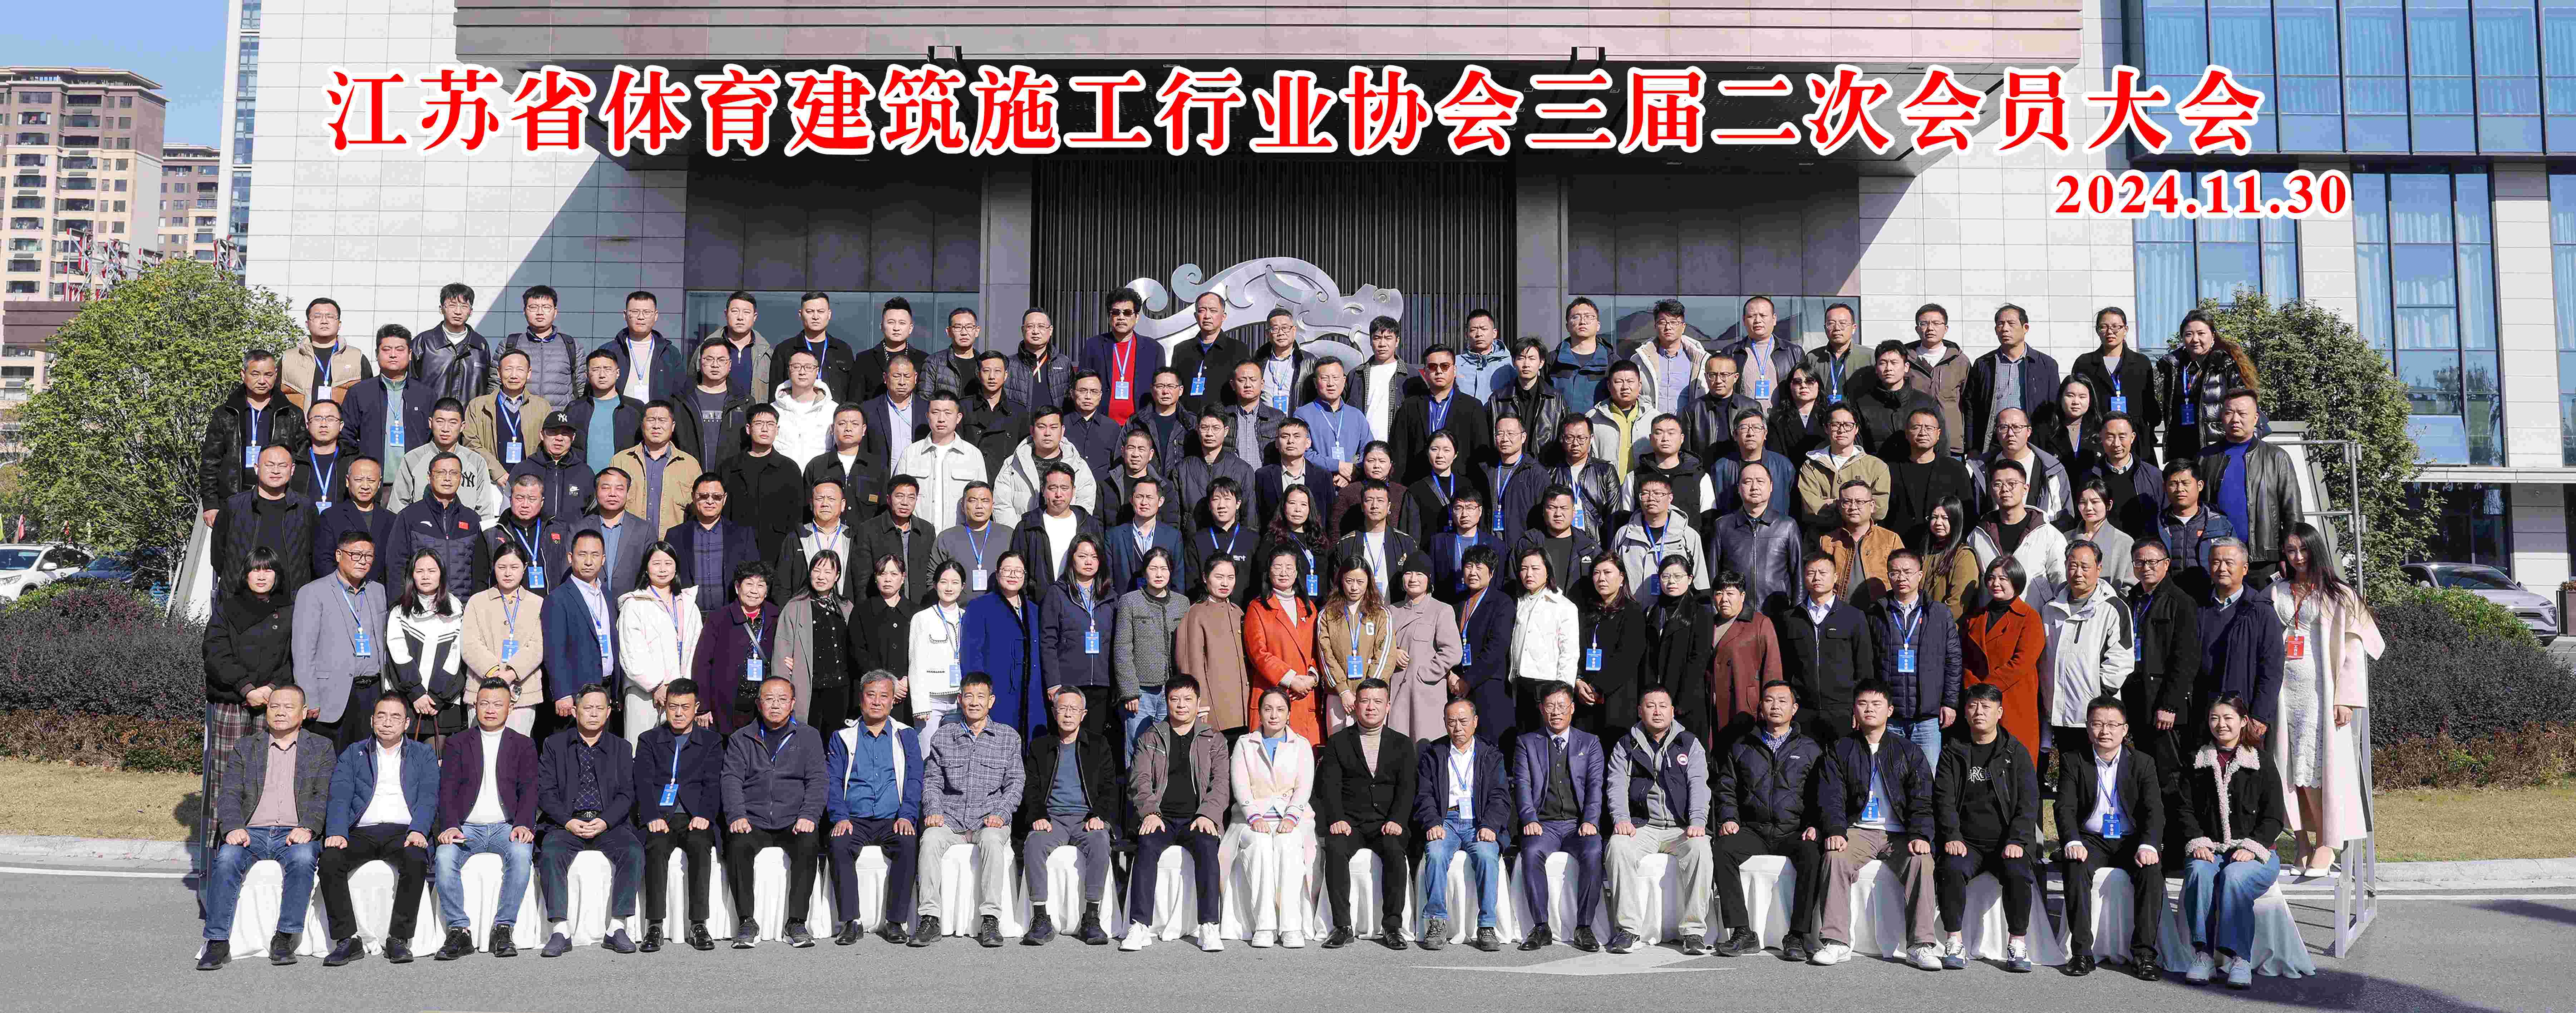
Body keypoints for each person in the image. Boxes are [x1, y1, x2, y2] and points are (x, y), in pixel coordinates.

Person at [2269, 523, 2380, 878]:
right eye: (2290, 550)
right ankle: (2301, 841)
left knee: (2315, 767)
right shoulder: (2276, 590)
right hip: (2283, 690)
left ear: (2315, 549)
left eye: (2303, 549)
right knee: (2288, 767)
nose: (2297, 557)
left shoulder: (2338, 593)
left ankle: (2326, 841)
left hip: (2321, 691)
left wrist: (2345, 697)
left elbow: (2354, 647)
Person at [198, 683, 335, 971]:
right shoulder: (247, 746)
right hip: (252, 831)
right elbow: (229, 793)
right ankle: (217, 941)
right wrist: (233, 827)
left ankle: (285, 937)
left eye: (288, 707)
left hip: (295, 831)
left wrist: (309, 827)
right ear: (267, 711)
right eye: (275, 706)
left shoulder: (321, 747)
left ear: (303, 713)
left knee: (303, 858)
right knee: (226, 858)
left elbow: (323, 794)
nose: (280, 712)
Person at [1809, 680, 1941, 968]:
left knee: (1922, 860)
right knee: (1834, 856)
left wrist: (1920, 834)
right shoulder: (1840, 749)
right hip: (1858, 830)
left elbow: (1922, 799)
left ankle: (1920, 945)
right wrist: (1835, 830)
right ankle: (1836, 942)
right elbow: (1830, 796)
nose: (1869, 709)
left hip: (1899, 833)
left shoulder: (1909, 751)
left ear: (1889, 710)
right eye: (1863, 704)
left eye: (1876, 704)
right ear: (1854, 710)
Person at [2176, 693, 2291, 990]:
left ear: (2243, 721)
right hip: (2210, 848)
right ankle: (2203, 955)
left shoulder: (2262, 762)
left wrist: (2252, 847)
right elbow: (2183, 808)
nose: (2221, 724)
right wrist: (2197, 841)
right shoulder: (2196, 760)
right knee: (2199, 872)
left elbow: (2274, 817)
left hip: (2255, 852)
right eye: (2214, 718)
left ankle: (2240, 958)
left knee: (2234, 876)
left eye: (2228, 718)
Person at [1710, 680, 1827, 959]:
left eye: (1782, 701)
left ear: (1794, 708)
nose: (1775, 706)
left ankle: (1797, 935)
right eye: (1769, 700)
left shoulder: (1810, 749)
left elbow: (1822, 793)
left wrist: (1815, 825)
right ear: (1760, 707)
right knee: (1722, 848)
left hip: (1793, 831)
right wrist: (1729, 818)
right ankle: (1742, 932)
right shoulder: (1742, 746)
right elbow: (1726, 788)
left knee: (1812, 854)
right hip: (1754, 830)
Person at [1931, 682, 2041, 973]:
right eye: (1972, 706)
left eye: (1986, 707)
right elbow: (1943, 799)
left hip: (2007, 842)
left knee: (2018, 872)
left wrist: (2017, 840)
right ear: (1965, 712)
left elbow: (2028, 803)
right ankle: (1954, 941)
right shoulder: (1953, 751)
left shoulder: (2015, 752)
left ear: (1999, 712)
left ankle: (2017, 943)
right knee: (1950, 868)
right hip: (1966, 842)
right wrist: (1952, 835)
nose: (1979, 712)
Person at [2055, 696, 2168, 979]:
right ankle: (2082, 953)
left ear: (2125, 729)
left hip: (2131, 840)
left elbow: (2154, 809)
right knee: (2075, 866)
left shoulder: (2142, 763)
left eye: (2112, 725)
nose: (2104, 731)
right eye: (2097, 724)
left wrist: (2148, 844)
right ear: (2087, 727)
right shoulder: (2073, 760)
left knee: (2151, 870)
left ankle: (2144, 955)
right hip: (2090, 839)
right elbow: (2064, 807)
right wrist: (2072, 840)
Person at [910, 673, 1024, 948]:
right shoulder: (943, 736)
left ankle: (990, 919)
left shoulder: (1008, 737)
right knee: (930, 839)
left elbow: (1015, 782)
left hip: (989, 818)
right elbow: (932, 780)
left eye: (981, 697)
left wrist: (1002, 813)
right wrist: (933, 810)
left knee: (993, 841)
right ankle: (930, 917)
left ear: (991, 701)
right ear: (960, 700)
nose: (974, 703)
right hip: (950, 818)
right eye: (969, 696)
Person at [430, 678, 540, 960]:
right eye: (484, 704)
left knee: (521, 853)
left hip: (506, 826)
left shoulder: (524, 745)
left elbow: (529, 789)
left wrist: (523, 823)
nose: (490, 710)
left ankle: (503, 928)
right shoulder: (457, 743)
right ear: (475, 706)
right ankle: (459, 930)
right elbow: (447, 790)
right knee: (444, 856)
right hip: (467, 827)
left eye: (498, 704)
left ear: (510, 708)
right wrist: (450, 825)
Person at [1122, 676, 1233, 952]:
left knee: (1207, 846)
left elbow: (1221, 784)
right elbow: (1139, 780)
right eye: (1175, 699)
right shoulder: (1150, 736)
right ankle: (1139, 925)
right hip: (1161, 817)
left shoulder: (1214, 739)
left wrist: (1208, 814)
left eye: (1187, 700)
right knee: (1147, 845)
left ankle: (1209, 925)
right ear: (1167, 702)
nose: (1181, 705)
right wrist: (1150, 812)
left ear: (1198, 703)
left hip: (1197, 818)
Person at [1603, 686, 1715, 955]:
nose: (1657, 711)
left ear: (1672, 711)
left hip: (1681, 828)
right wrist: (1621, 818)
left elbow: (1699, 784)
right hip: (1643, 826)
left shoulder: (1689, 743)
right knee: (1617, 846)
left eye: (1663, 706)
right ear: (1640, 711)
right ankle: (1628, 929)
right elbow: (1616, 785)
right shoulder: (1626, 745)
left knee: (1701, 849)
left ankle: (1693, 932)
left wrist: (1698, 820)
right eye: (1650, 706)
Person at [535, 684, 645, 957]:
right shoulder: (554, 745)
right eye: (587, 708)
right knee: (551, 852)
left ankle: (617, 927)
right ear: (575, 711)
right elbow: (546, 793)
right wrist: (567, 821)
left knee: (633, 851)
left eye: (599, 708)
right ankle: (560, 930)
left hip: (608, 823)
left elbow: (627, 793)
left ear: (608, 712)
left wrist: (605, 821)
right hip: (567, 823)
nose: (593, 714)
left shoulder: (621, 747)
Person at [720, 677, 827, 948]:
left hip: (793, 820)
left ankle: (797, 921)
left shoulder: (809, 736)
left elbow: (818, 780)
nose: (776, 705)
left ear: (793, 704)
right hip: (753, 819)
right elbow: (731, 780)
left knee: (808, 843)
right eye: (769, 699)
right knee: (737, 843)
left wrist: (809, 815)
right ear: (759, 704)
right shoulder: (741, 738)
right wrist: (737, 814)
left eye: (782, 699)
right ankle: (747, 920)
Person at [821, 671, 924, 946]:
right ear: (861, 699)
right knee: (839, 843)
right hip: (854, 819)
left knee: (907, 841)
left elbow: (915, 779)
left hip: (893, 818)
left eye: (884, 696)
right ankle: (851, 921)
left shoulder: (906, 736)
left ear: (893, 702)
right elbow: (832, 781)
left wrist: (907, 815)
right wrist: (840, 817)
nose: (877, 701)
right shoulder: (843, 737)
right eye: (871, 695)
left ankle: (896, 922)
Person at [1316, 678, 1420, 949]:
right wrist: (1337, 818)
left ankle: (1392, 926)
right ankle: (1342, 926)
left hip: (1387, 823)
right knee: (1336, 849)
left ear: (1388, 706)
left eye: (1377, 702)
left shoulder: (1402, 744)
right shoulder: (1338, 742)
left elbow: (1407, 788)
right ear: (1356, 705)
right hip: (1350, 823)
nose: (1371, 707)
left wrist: (1397, 820)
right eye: (1365, 701)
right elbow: (1329, 786)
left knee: (1395, 852)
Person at [1014, 687, 1117, 946]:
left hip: (1086, 818)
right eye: (1063, 709)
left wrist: (1099, 816)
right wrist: (1038, 815)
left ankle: (1091, 918)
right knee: (1034, 843)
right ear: (1054, 712)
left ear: (1083, 714)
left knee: (1100, 842)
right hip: (1053, 819)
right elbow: (1031, 787)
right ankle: (1041, 918)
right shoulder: (1040, 747)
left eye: (1074, 709)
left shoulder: (1099, 745)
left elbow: (1109, 787)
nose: (1068, 714)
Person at [1512, 683, 1606, 952]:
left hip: (1578, 825)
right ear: (1542, 709)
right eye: (1550, 706)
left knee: (1593, 851)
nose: (1556, 712)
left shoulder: (1590, 743)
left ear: (1572, 709)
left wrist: (1590, 820)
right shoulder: (1527, 743)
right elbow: (1522, 784)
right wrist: (1529, 818)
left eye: (1562, 706)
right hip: (1544, 824)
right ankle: (1541, 926)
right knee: (1531, 852)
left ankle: (1584, 927)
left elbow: (1595, 785)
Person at [633, 676, 723, 953]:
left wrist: (705, 813)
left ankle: (698, 924)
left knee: (700, 845)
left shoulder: (711, 741)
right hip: (662, 815)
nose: (679, 713)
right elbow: (643, 782)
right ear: (665, 707)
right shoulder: (649, 739)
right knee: (656, 846)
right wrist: (652, 816)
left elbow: (714, 783)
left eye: (685, 707)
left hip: (695, 814)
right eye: (673, 707)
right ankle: (655, 924)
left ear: (696, 707)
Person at [1416, 698, 1509, 951]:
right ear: (1445, 723)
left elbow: (1500, 796)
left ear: (1475, 722)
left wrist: (1490, 825)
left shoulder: (1490, 754)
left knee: (1487, 855)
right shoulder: (1434, 754)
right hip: (1445, 820)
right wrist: (1432, 822)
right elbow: (1424, 795)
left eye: (1463, 721)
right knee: (1435, 853)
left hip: (1479, 821)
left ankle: (1487, 925)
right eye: (1451, 722)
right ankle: (1436, 921)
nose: (1457, 727)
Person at [2041, 541, 2138, 774]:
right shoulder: (2051, 608)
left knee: (2097, 774)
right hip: (2059, 710)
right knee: (2068, 775)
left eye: (2085, 567)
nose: (2078, 573)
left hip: (2097, 713)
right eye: (2072, 565)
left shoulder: (2113, 607)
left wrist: (2099, 696)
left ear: (2099, 568)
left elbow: (2121, 659)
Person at [1233, 689, 1319, 948]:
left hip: (1291, 818)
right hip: (1251, 819)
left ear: (1289, 714)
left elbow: (1304, 787)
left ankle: (1291, 926)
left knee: (1288, 844)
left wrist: (1292, 817)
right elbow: (1241, 785)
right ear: (1259, 713)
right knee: (1259, 845)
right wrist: (1253, 816)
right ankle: (1265, 925)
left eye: (1280, 710)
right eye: (1268, 709)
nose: (1274, 715)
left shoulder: (1301, 745)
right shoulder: (1244, 743)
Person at [294, 531, 391, 747]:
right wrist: (309, 696)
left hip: (372, 692)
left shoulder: (378, 591)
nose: (363, 561)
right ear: (339, 555)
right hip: (331, 695)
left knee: (366, 760)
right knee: (330, 761)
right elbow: (303, 652)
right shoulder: (313, 592)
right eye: (356, 555)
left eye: (369, 556)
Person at [2125, 539, 2201, 813]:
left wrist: (2170, 705)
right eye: (2139, 562)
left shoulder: (2181, 602)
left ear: (2166, 564)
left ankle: (2179, 834)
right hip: (2136, 696)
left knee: (2169, 775)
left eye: (2152, 562)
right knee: (2143, 774)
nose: (2145, 567)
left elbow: (2186, 659)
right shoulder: (2130, 600)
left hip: (2163, 705)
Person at [1869, 549, 1962, 771]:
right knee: (1890, 777)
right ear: (1888, 576)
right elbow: (1867, 663)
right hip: (1890, 716)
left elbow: (1953, 660)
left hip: (1927, 718)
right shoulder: (1877, 613)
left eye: (1907, 572)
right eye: (1895, 572)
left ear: (1920, 575)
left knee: (1927, 776)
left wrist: (1950, 703)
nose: (1901, 577)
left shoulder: (1939, 613)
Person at [206, 550, 298, 764]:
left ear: (277, 575)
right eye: (255, 570)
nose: (262, 576)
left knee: (267, 768)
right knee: (228, 768)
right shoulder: (226, 610)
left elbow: (295, 656)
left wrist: (272, 688)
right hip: (232, 701)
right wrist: (246, 688)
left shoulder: (290, 611)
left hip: (273, 701)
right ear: (246, 574)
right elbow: (216, 654)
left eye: (268, 570)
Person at [2199, 389, 2299, 582]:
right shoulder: (2206, 458)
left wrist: (2290, 556)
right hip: (2220, 560)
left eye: (2242, 414)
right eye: (2229, 413)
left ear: (2256, 418)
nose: (2235, 419)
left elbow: (2292, 513)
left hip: (2264, 561)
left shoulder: (2277, 458)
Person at [201, 351, 307, 528]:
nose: (262, 381)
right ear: (244, 375)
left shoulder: (292, 414)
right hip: (233, 498)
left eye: (268, 375)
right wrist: (211, 504)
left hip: (278, 499)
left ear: (276, 375)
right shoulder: (225, 414)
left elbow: (301, 462)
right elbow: (210, 461)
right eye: (255, 374)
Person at [1774, 555, 1872, 743]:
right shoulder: (1790, 619)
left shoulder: (1854, 616)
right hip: (1803, 711)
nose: (1817, 577)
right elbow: (1785, 667)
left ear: (1835, 577)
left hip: (1843, 711)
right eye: (1811, 573)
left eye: (1823, 573)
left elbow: (1865, 667)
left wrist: (1860, 707)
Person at [2198, 539, 2285, 749]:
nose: (2222, 568)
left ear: (2245, 569)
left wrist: (2260, 716)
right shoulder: (2198, 607)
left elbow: (2272, 669)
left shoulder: (2261, 610)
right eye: (2216, 562)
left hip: (2244, 715)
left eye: (2229, 563)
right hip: (2203, 713)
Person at [1962, 557, 2047, 764]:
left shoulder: (2029, 617)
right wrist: (1973, 687)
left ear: (2016, 581)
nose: (1996, 583)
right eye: (1991, 578)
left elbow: (2022, 662)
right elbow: (1965, 658)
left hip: (2014, 699)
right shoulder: (1975, 617)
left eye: (2003, 579)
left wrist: (1986, 688)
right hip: (1979, 701)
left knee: (2015, 762)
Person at [617, 542, 703, 739]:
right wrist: (657, 686)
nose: (663, 569)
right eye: (656, 564)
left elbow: (696, 649)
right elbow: (632, 653)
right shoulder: (634, 605)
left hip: (681, 695)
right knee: (641, 748)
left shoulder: (689, 604)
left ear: (676, 567)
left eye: (668, 563)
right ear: (646, 568)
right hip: (644, 693)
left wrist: (685, 688)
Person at [538, 530, 618, 736]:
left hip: (605, 688)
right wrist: (562, 693)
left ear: (603, 560)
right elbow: (554, 651)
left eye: (595, 555)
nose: (589, 562)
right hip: (575, 694)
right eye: (582, 555)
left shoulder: (607, 595)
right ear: (570, 558)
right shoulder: (558, 599)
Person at [460, 542, 545, 734]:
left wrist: (511, 674)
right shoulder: (477, 601)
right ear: (494, 567)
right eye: (502, 567)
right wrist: (495, 673)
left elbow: (538, 646)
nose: (508, 573)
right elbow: (470, 644)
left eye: (514, 567)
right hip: (482, 690)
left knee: (516, 749)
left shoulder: (537, 603)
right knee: (481, 748)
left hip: (522, 694)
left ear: (524, 568)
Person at [1040, 535, 1119, 739]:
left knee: (1093, 742)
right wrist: (1053, 682)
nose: (1089, 562)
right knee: (1066, 739)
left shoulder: (1110, 596)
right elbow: (1048, 641)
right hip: (1068, 682)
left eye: (1094, 557)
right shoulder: (1058, 593)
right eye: (1083, 556)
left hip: (1101, 683)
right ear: (1072, 559)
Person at [213, 444, 320, 592]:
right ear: (257, 468)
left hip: (291, 599)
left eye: (283, 466)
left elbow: (315, 555)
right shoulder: (234, 506)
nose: (276, 471)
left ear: (292, 470)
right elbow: (218, 555)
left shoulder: (305, 508)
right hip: (240, 598)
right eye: (269, 465)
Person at [1245, 546, 1326, 739]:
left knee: (1305, 752)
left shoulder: (1308, 607)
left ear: (1297, 573)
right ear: (1269, 572)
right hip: (1273, 692)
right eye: (1278, 567)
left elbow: (1319, 649)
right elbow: (1258, 654)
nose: (1284, 573)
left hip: (1305, 694)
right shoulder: (1258, 608)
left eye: (1289, 568)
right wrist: (1291, 680)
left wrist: (1312, 678)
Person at [961, 552, 1046, 734]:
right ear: (998, 573)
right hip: (997, 692)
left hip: (1031, 694)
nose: (1013, 575)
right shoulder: (980, 607)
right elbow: (972, 654)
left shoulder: (1034, 611)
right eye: (1007, 570)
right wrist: (979, 693)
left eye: (1018, 571)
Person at [345, 326, 438, 491]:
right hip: (372, 487)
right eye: (387, 349)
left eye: (400, 350)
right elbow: (346, 436)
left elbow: (434, 438)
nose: (393, 355)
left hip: (416, 485)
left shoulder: (426, 395)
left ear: (410, 354)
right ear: (377, 354)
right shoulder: (359, 393)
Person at [692, 561, 779, 736]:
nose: (754, 591)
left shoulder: (776, 616)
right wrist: (703, 707)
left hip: (763, 703)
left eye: (761, 585)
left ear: (767, 591)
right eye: (749, 584)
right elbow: (702, 663)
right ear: (738, 587)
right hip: (727, 704)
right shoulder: (719, 618)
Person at [1115, 547, 1191, 749]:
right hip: (1141, 692)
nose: (1159, 574)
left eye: (1164, 569)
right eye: (1153, 568)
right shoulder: (1130, 601)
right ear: (1144, 571)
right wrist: (1130, 691)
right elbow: (1122, 648)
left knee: (1168, 747)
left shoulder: (1182, 603)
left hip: (1173, 689)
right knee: (1138, 746)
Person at [386, 550, 466, 742]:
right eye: (420, 571)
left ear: (442, 574)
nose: (426, 576)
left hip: (442, 705)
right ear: (411, 575)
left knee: (436, 759)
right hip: (409, 702)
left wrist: (437, 697)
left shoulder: (456, 608)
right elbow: (398, 655)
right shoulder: (399, 611)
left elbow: (457, 656)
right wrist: (416, 694)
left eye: (432, 571)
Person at [1962, 304, 2062, 455]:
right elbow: (1971, 407)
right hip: (1993, 442)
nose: (2005, 329)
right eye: (2000, 324)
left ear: (2025, 328)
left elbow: (2055, 409)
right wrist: (1972, 447)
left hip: (2032, 443)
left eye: (2011, 323)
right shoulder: (1984, 364)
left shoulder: (2046, 365)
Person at [1966, 459, 2068, 606]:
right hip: (1989, 616)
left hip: (2035, 615)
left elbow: (2061, 581)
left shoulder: (2048, 535)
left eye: (2012, 484)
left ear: (2025, 489)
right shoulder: (1978, 535)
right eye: (1998, 484)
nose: (2005, 489)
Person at [2070, 306, 2164, 465]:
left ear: (2125, 330)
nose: (2110, 332)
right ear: (2098, 331)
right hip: (2097, 438)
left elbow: (2149, 403)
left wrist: (2148, 432)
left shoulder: (2141, 363)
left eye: (2116, 327)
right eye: (2104, 327)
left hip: (2135, 440)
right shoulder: (2085, 363)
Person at [2163, 309, 2259, 461]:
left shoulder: (2224, 364)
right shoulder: (2174, 367)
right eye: (2189, 334)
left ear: (2213, 336)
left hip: (2217, 448)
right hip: (2182, 449)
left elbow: (2246, 406)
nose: (2195, 339)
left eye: (2201, 334)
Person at [713, 404, 805, 562]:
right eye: (759, 423)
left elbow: (796, 518)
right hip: (736, 549)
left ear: (777, 430)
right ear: (749, 429)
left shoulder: (789, 469)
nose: (765, 429)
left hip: (777, 552)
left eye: (770, 424)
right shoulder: (729, 468)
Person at [1390, 344, 1492, 485]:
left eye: (1445, 366)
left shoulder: (1472, 407)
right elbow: (1399, 453)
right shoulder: (1410, 406)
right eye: (1433, 367)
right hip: (1418, 485)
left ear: (1455, 370)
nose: (1439, 371)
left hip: (1459, 487)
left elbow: (1481, 456)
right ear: (1425, 372)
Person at [777, 549, 856, 729]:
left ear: (837, 576)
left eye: (828, 572)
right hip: (809, 689)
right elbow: (782, 654)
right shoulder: (794, 607)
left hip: (842, 688)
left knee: (837, 739)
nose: (821, 577)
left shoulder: (846, 607)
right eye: (817, 570)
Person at [1174, 558, 1254, 736]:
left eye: (1231, 578)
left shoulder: (1238, 611)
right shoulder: (1196, 613)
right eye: (1219, 577)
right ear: (1205, 577)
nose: (1225, 583)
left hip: (1243, 704)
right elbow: (1192, 663)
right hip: (1215, 706)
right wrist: (1199, 703)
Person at [1710, 465, 1803, 612]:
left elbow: (1799, 575)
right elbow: (1713, 574)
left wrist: (1797, 615)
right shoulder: (1723, 526)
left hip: (1777, 612)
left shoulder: (1787, 526)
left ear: (1771, 486)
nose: (1754, 487)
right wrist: (1715, 612)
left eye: (1760, 481)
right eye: (1748, 482)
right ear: (1739, 488)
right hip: (1735, 613)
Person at [1706, 571, 1784, 746]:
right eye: (1719, 594)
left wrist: (1770, 704)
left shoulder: (1760, 623)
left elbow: (1772, 668)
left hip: (1745, 704)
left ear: (1742, 596)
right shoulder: (1709, 624)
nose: (1724, 599)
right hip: (1713, 705)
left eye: (1730, 593)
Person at [390, 400, 500, 523]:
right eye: (440, 422)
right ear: (431, 423)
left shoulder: (476, 462)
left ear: (462, 426)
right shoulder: (412, 459)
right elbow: (398, 505)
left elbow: (485, 511)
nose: (446, 429)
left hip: (464, 532)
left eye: (453, 423)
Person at [1509, 547, 1581, 736]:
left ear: (1548, 571)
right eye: (1524, 569)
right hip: (1522, 683)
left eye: (1535, 569)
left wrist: (1564, 692)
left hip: (1548, 685)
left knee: (1547, 739)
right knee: (1525, 739)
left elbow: (1570, 653)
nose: (1529, 574)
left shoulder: (1564, 606)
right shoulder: (1519, 603)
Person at [1576, 556, 1648, 738]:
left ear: (1622, 577)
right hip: (1585, 697)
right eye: (1596, 573)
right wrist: (1578, 681)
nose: (1601, 579)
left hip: (1617, 700)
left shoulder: (1632, 612)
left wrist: (1598, 687)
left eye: (1608, 573)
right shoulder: (1587, 611)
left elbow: (1628, 658)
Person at [1008, 462, 1105, 596]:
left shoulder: (1090, 525)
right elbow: (1017, 569)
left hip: (1081, 601)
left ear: (1074, 491)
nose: (1059, 494)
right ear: (1043, 490)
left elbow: (1102, 568)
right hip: (1039, 603)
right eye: (1052, 488)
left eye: (1065, 488)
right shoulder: (1027, 527)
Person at [1384, 564, 1459, 738]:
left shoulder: (1441, 610)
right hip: (1397, 693)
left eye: (1419, 574)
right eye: (1408, 574)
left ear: (1429, 579)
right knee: (1399, 746)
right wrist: (1392, 653)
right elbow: (1378, 647)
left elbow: (1453, 651)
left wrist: (1426, 674)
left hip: (1426, 693)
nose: (1413, 579)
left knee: (1426, 745)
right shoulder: (1391, 612)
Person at [608, 403, 702, 535]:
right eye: (651, 420)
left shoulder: (690, 465)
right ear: (642, 425)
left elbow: (699, 511)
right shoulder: (621, 462)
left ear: (673, 426)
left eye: (663, 420)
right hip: (630, 541)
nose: (657, 426)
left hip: (673, 544)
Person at [1885, 407, 1976, 544]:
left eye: (1929, 428)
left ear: (1938, 434)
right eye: (1916, 428)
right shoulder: (1890, 470)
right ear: (1907, 433)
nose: (1923, 433)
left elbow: (1967, 514)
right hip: (1900, 547)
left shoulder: (1955, 469)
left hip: (1943, 547)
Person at [1078, 288, 1166, 426]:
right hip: (1101, 424)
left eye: (1127, 313)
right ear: (1110, 317)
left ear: (1137, 317)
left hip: (1141, 425)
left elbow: (1161, 389)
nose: (1121, 317)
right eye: (1116, 312)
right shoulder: (1094, 346)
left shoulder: (1154, 349)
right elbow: (1081, 385)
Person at [1612, 474, 1710, 599]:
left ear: (1670, 498)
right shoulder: (1624, 534)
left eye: (1658, 494)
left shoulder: (1688, 535)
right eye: (1645, 494)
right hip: (1633, 608)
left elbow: (1700, 582)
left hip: (1675, 609)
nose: (1651, 498)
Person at [464, 348, 552, 487]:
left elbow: (548, 446)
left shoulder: (542, 407)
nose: (514, 376)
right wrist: (497, 472)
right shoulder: (478, 406)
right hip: (491, 482)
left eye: (520, 370)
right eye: (508, 369)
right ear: (499, 373)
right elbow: (470, 443)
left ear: (529, 373)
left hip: (531, 484)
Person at [1969, 407, 2072, 522]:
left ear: (2029, 431)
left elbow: (2064, 518)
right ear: (1997, 432)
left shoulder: (2051, 469)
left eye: (2017, 427)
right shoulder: (1982, 467)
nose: (2010, 434)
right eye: (2004, 428)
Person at [311, 456, 399, 589]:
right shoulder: (331, 517)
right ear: (348, 481)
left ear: (379, 483)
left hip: (380, 593)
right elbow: (323, 562)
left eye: (371, 481)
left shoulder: (392, 520)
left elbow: (396, 564)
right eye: (359, 480)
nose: (365, 486)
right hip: (341, 592)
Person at [1816, 478, 1902, 607]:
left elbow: (1902, 577)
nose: (1853, 507)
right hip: (1840, 611)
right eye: (1847, 502)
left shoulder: (1891, 539)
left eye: (1860, 502)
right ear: (1839, 506)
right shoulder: (1828, 541)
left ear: (1872, 506)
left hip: (1882, 611)